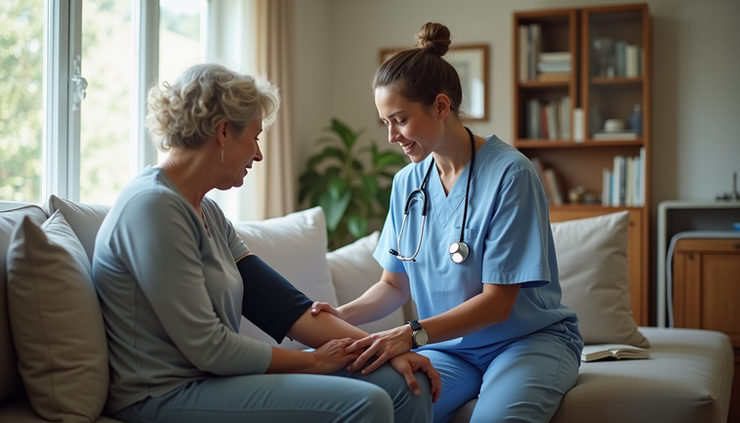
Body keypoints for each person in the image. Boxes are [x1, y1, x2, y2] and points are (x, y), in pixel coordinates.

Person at [92, 63, 440, 423]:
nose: (258, 155)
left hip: (213, 379)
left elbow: (284, 307)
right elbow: (209, 347)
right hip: (160, 393)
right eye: (255, 137)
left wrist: (383, 350)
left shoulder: (206, 211)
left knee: (401, 379)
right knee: (366, 403)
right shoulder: (153, 208)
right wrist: (315, 361)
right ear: (224, 131)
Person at [310, 23, 584, 423]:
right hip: (448, 349)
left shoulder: (511, 175)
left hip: (527, 343)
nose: (391, 136)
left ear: (441, 106)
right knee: (385, 409)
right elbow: (393, 284)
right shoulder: (407, 182)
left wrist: (411, 333)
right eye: (385, 122)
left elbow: (498, 302)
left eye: (400, 120)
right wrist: (341, 316)